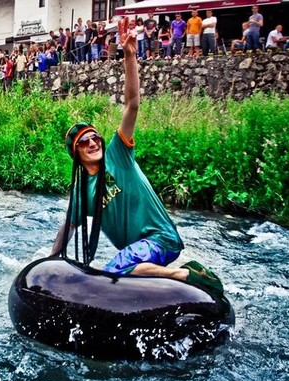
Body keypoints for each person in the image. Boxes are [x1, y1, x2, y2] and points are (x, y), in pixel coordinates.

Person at [50, 16, 218, 286]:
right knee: (117, 270)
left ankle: (187, 275)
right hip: (138, 253)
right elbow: (68, 227)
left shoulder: (118, 153)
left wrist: (129, 55)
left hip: (161, 238)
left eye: (95, 138)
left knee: (115, 268)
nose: (92, 143)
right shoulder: (83, 189)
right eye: (84, 142)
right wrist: (51, 260)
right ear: (76, 154)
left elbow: (132, 105)